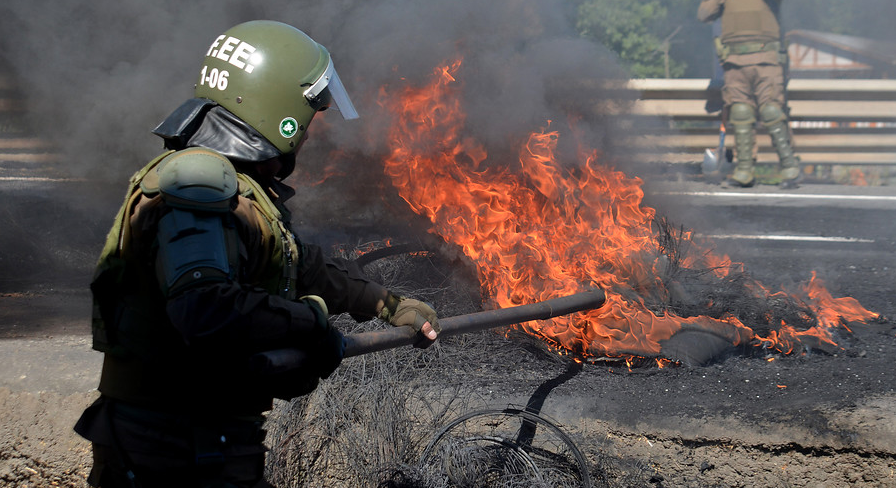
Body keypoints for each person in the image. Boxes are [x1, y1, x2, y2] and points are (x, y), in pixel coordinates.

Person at [74, 20, 440, 488]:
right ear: (277, 110)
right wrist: (310, 323)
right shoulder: (197, 183)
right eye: (307, 120)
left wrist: (389, 305)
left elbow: (298, 263)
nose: (308, 134)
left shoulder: (239, 189)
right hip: (166, 445)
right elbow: (203, 308)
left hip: (204, 437)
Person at [698, 0, 800, 188]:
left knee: (772, 111)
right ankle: (744, 170)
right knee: (740, 112)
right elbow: (704, 14)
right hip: (734, 61)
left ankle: (789, 167)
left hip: (767, 58)